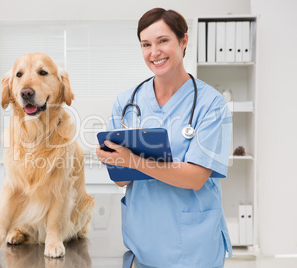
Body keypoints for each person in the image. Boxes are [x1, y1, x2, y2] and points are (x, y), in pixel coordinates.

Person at [96, 7, 233, 268]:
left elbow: (195, 178)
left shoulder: (211, 105)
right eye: (146, 44)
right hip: (143, 243)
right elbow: (122, 180)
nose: (154, 52)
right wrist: (111, 159)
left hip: (194, 247)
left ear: (183, 41)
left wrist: (132, 160)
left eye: (163, 41)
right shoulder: (127, 102)